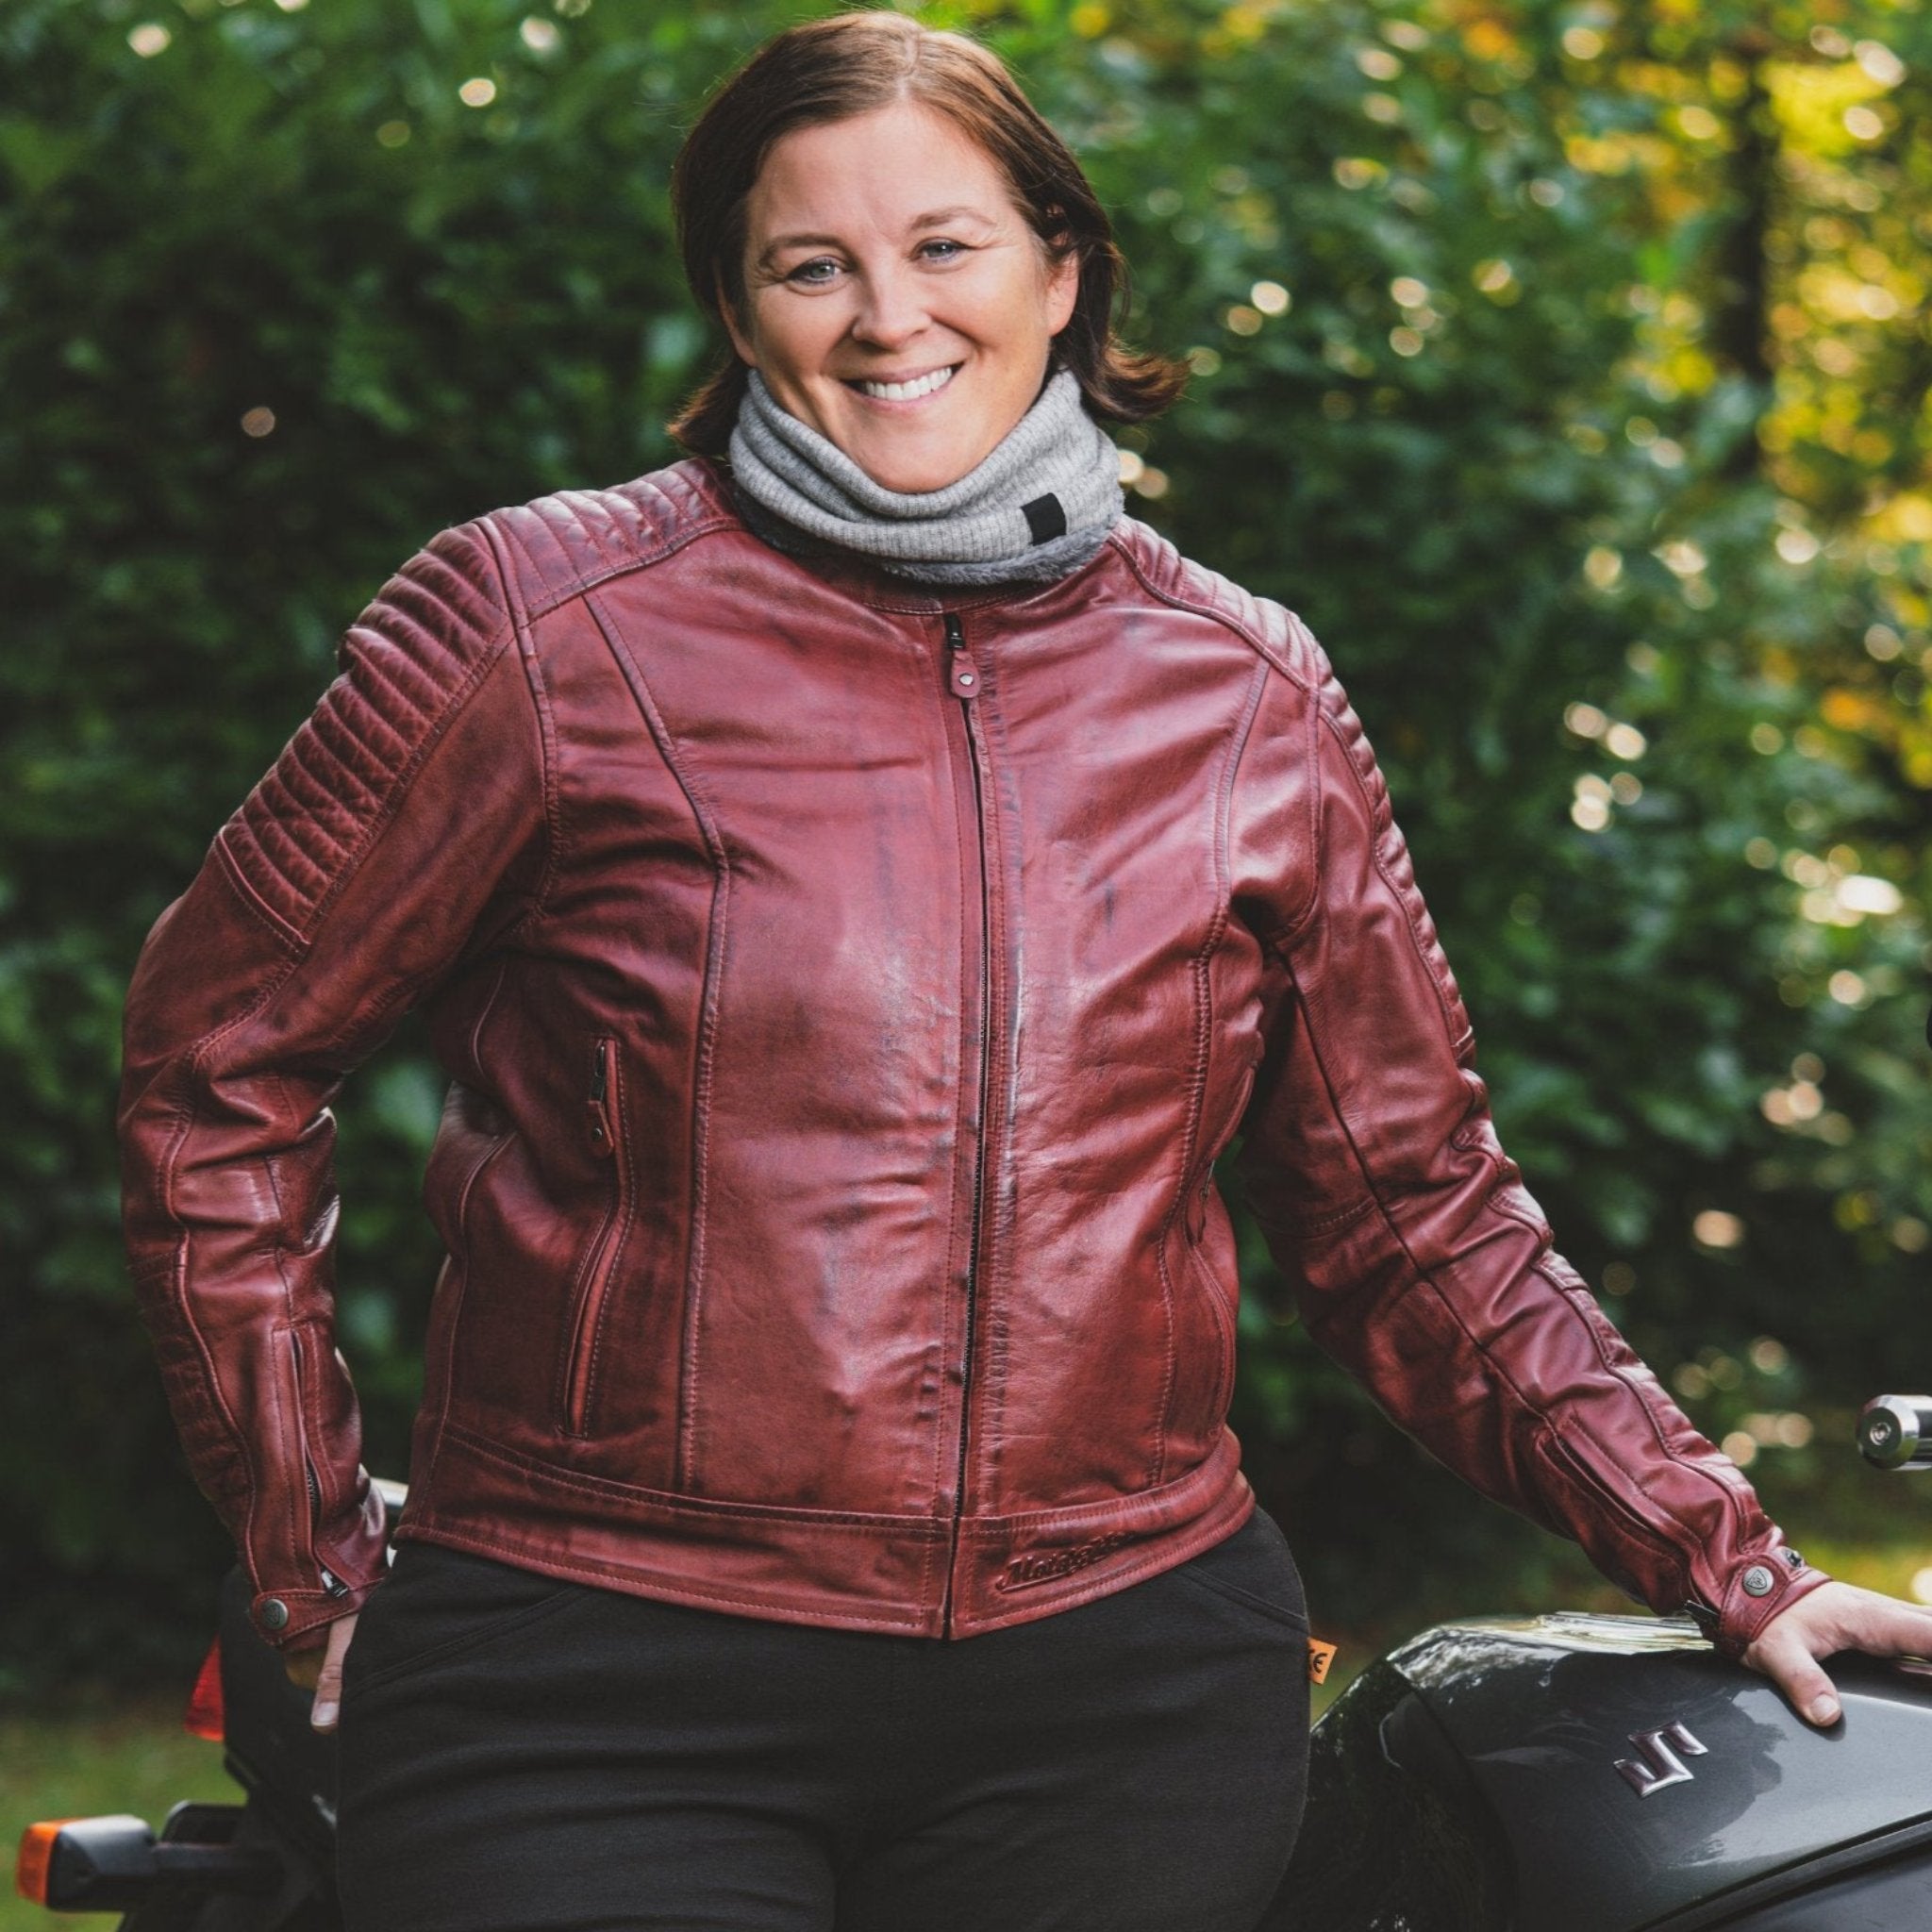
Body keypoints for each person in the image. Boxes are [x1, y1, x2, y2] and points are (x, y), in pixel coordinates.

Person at [117, 11, 1932, 1930]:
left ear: (1062, 273)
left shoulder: (1240, 690)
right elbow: (217, 1066)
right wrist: (310, 1552)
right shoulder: (538, 627)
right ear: (739, 316)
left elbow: (1409, 1206)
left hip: (1114, 1687)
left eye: (946, 246)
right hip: (597, 1670)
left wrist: (1722, 1551)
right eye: (811, 265)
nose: (887, 313)